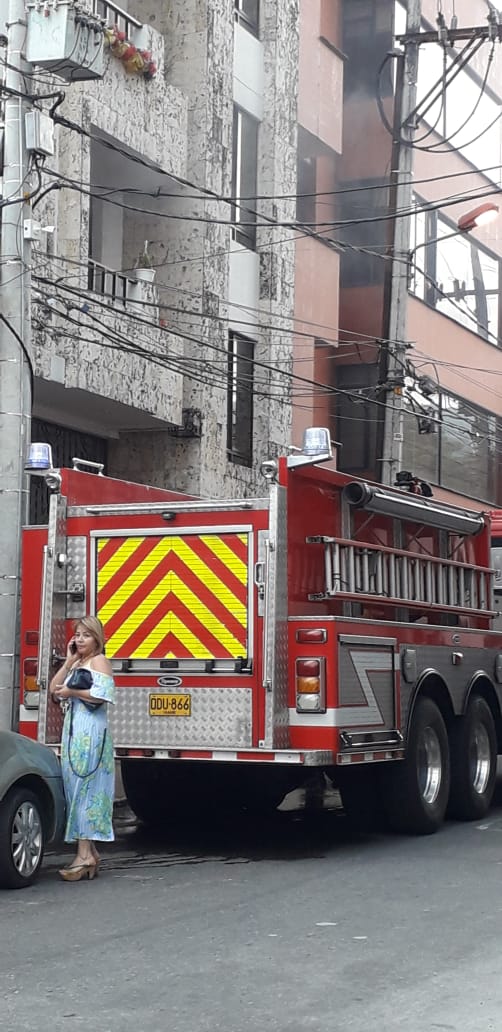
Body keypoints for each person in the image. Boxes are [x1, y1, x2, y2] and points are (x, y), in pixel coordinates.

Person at [49, 615, 115, 882]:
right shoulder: (78, 663)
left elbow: (102, 695)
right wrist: (68, 662)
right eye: (77, 634)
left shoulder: (99, 661)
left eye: (86, 635)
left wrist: (72, 693)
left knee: (86, 790)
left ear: (96, 638)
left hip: (91, 733)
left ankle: (84, 855)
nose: (79, 639)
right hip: (75, 731)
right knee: (75, 787)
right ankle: (90, 854)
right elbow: (54, 689)